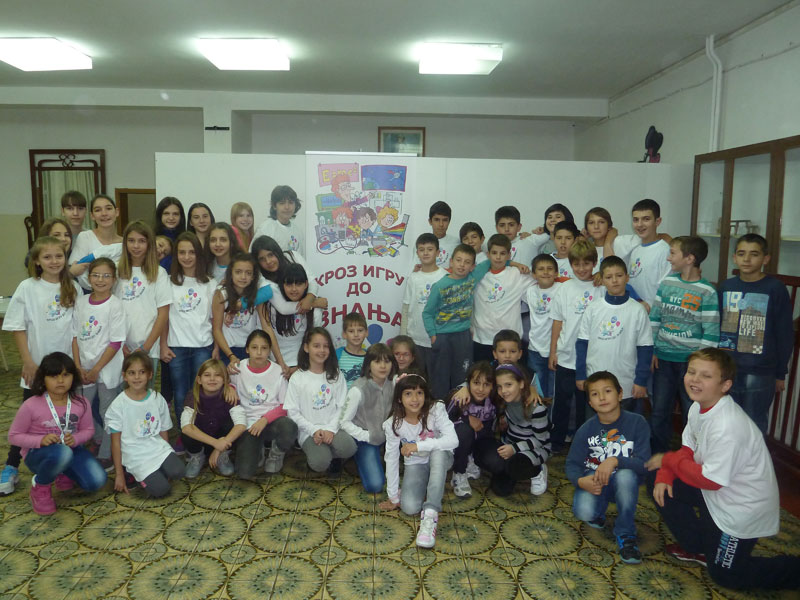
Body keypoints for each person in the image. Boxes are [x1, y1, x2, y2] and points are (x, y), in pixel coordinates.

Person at [647, 349, 800, 590]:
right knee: (655, 477)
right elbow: (687, 449)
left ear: (725, 385)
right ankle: (699, 547)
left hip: (738, 509)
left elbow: (710, 481)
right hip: (715, 492)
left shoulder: (728, 426)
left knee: (728, 576)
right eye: (692, 371)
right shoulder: (698, 406)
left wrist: (667, 460)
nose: (695, 379)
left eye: (706, 376)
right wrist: (665, 470)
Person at [1, 236, 81, 496]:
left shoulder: (73, 288)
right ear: (37, 261)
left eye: (59, 256)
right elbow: (18, 327)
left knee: (65, 418)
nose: (54, 261)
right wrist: (27, 361)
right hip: (36, 368)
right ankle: (11, 466)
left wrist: (76, 366)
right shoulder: (27, 287)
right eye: (47, 257)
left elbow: (76, 333)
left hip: (65, 371)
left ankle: (62, 465)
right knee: (29, 418)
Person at [567, 370, 651, 564]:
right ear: (590, 402)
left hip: (626, 481)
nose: (602, 398)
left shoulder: (637, 423)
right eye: (595, 394)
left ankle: (626, 533)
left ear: (620, 394)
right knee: (584, 512)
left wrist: (615, 460)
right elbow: (572, 463)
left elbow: (644, 463)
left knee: (625, 476)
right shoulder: (586, 429)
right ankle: (599, 508)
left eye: (607, 391)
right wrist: (581, 481)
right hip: (596, 479)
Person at [8, 352, 106, 515]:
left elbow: (89, 430)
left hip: (72, 449)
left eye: (66, 375)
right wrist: (40, 440)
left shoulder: (81, 403)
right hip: (38, 454)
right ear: (43, 379)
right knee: (62, 453)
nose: (60, 381)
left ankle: (62, 471)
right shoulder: (31, 405)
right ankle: (40, 487)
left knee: (97, 481)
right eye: (54, 376)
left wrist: (75, 439)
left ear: (73, 377)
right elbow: (13, 436)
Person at [649, 236, 719, 452]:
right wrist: (652, 350)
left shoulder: (707, 291)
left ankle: (691, 456)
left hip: (690, 365)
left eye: (673, 253)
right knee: (659, 411)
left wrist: (699, 366)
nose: (668, 258)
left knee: (692, 412)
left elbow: (711, 332)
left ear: (689, 258)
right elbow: (655, 319)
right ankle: (658, 456)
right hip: (663, 360)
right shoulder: (667, 284)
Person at [718, 234, 793, 435]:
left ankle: (754, 458)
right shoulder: (726, 287)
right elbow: (717, 326)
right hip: (728, 368)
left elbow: (784, 333)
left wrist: (780, 373)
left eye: (754, 254)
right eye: (741, 253)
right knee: (727, 423)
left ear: (765, 258)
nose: (747, 259)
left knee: (753, 424)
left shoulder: (775, 289)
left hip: (760, 370)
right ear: (734, 257)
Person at [379, 373, 458, 548]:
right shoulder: (393, 424)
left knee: (438, 453)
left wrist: (418, 446)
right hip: (416, 463)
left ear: (425, 394)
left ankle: (430, 514)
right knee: (409, 507)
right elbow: (391, 458)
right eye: (408, 394)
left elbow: (453, 440)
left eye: (419, 393)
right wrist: (393, 496)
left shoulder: (436, 409)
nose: (415, 399)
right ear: (399, 398)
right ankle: (429, 487)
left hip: (442, 459)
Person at [160, 232, 217, 448]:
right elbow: (163, 317)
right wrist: (163, 345)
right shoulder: (168, 282)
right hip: (176, 347)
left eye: (191, 252)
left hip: (203, 346)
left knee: (201, 393)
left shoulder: (210, 283)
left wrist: (216, 348)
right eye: (182, 252)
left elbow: (216, 319)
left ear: (199, 254)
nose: (186, 257)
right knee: (181, 393)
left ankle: (202, 433)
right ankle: (186, 436)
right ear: (176, 255)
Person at [575, 256, 653, 413]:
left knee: (626, 425)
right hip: (595, 380)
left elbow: (645, 348)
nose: (615, 281)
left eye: (619, 275)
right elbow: (582, 344)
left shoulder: (638, 310)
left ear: (627, 278)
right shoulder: (593, 308)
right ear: (602, 280)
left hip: (627, 382)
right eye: (609, 277)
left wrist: (641, 380)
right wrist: (581, 374)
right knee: (595, 424)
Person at [548, 238, 602, 452]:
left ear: (594, 263)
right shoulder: (565, 288)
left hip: (592, 359)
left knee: (585, 406)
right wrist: (553, 352)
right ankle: (557, 441)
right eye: (576, 264)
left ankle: (581, 444)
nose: (581, 268)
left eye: (586, 263)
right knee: (561, 403)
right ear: (570, 264)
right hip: (566, 356)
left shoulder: (601, 287)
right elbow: (557, 322)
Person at [72, 257, 126, 469]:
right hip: (83, 368)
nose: (100, 280)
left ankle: (107, 453)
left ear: (114, 279)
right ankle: (98, 438)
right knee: (82, 408)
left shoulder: (116, 305)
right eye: (96, 275)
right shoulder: (81, 302)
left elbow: (116, 342)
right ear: (89, 277)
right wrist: (78, 366)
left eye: (106, 276)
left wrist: (96, 369)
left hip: (107, 369)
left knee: (107, 412)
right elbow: (75, 336)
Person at [107, 351, 186, 497]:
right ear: (124, 376)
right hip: (134, 454)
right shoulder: (118, 405)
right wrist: (119, 475)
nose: (137, 377)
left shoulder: (157, 398)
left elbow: (163, 430)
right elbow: (115, 442)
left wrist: (166, 451)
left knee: (179, 471)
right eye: (132, 373)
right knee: (161, 490)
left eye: (142, 372)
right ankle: (132, 473)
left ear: (150, 375)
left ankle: (156, 472)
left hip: (155, 447)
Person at [422, 244, 493, 400]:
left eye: (467, 262)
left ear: (472, 266)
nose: (462, 265)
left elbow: (493, 260)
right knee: (440, 376)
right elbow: (427, 313)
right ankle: (439, 406)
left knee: (462, 374)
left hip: (463, 336)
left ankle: (459, 408)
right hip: (442, 337)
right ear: (451, 262)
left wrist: (514, 263)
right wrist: (433, 335)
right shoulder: (440, 286)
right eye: (459, 260)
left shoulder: (472, 278)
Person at [284, 328, 356, 473]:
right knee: (320, 463)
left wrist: (330, 429)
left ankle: (331, 454)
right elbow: (292, 412)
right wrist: (314, 430)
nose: (322, 350)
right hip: (308, 431)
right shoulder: (297, 378)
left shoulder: (336, 374)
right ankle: (320, 454)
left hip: (333, 427)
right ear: (306, 348)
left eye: (326, 346)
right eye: (316, 346)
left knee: (349, 448)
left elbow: (342, 407)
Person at [229, 330, 298, 477]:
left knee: (289, 427)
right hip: (249, 424)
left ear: (269, 350)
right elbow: (230, 385)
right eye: (254, 347)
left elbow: (284, 405)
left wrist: (265, 419)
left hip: (272, 421)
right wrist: (230, 388)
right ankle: (257, 449)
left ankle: (276, 452)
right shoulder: (238, 368)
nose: (259, 352)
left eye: (264, 348)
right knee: (244, 473)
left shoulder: (278, 371)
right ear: (247, 349)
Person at [474, 364, 550, 496]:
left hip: (534, 449)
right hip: (510, 445)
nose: (503, 391)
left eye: (508, 385)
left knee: (515, 467)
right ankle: (506, 468)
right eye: (499, 387)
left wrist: (514, 448)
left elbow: (541, 440)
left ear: (521, 384)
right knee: (501, 490)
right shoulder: (505, 401)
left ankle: (538, 470)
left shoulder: (537, 408)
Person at [339, 343, 398, 493]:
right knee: (375, 485)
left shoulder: (394, 382)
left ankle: (378, 456)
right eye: (377, 362)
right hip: (365, 438)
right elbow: (344, 422)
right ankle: (356, 456)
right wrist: (367, 436)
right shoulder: (358, 389)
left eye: (387, 361)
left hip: (388, 436)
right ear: (368, 365)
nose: (383, 366)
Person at [115, 221, 171, 378]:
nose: (136, 246)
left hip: (148, 348)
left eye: (141, 241)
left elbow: (163, 314)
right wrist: (119, 344)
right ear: (125, 243)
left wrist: (146, 347)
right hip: (119, 347)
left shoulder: (159, 273)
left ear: (149, 244)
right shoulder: (116, 270)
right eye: (131, 240)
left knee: (144, 390)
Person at [211, 253, 285, 371]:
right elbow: (216, 330)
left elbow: (267, 327)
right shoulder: (221, 294)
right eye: (238, 272)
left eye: (248, 273)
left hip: (251, 351)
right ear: (231, 273)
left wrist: (280, 361)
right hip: (227, 351)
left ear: (253, 276)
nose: (243, 277)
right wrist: (231, 356)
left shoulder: (257, 296)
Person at [471, 234, 534, 362]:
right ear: (488, 254)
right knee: (483, 374)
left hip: (510, 342)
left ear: (509, 255)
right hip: (482, 339)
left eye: (502, 253)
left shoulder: (517, 274)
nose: (498, 257)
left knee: (510, 375)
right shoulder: (477, 275)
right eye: (494, 253)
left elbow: (543, 281)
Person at [180, 359, 245, 478]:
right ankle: (197, 456)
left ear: (225, 379)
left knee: (232, 425)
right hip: (202, 440)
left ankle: (222, 455)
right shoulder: (193, 396)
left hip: (222, 439)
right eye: (207, 375)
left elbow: (241, 425)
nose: (212, 379)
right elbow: (186, 428)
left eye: (217, 375)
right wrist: (215, 443)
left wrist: (219, 448)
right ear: (199, 380)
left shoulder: (230, 395)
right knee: (187, 432)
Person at [604, 198, 672, 307]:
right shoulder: (635, 250)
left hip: (653, 313)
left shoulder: (665, 251)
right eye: (636, 220)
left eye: (646, 219)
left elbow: (667, 290)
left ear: (658, 221)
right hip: (634, 311)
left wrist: (653, 310)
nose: (640, 224)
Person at [446, 361, 496, 498]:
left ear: (492, 386)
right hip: (455, 441)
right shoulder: (460, 397)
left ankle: (471, 458)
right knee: (465, 430)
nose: (481, 389)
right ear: (468, 383)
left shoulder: (494, 398)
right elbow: (445, 422)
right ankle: (459, 472)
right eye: (476, 383)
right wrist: (467, 419)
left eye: (486, 384)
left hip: (480, 439)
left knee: (494, 457)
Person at [400, 233, 446, 376]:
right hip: (415, 340)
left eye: (430, 249)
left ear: (437, 252)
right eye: (421, 249)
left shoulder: (445, 277)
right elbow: (406, 309)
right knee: (416, 380)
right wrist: (404, 337)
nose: (425, 253)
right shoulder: (413, 278)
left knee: (437, 380)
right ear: (417, 253)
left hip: (438, 340)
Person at [525, 254, 561, 403]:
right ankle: (540, 416)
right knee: (537, 391)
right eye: (541, 269)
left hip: (557, 349)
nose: (545, 272)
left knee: (554, 392)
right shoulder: (530, 291)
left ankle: (552, 416)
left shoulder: (562, 289)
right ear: (534, 274)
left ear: (556, 273)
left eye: (550, 269)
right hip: (535, 349)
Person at [70, 194, 123, 292]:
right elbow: (75, 270)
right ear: (92, 216)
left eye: (108, 208)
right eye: (98, 210)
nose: (104, 213)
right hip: (90, 295)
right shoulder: (85, 237)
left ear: (117, 212)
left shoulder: (125, 243)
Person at [252, 185, 304, 255]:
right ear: (274, 206)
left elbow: (300, 257)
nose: (287, 207)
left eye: (291, 202)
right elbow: (253, 256)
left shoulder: (298, 231)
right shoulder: (265, 229)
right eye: (282, 203)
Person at [336, 312, 368, 388]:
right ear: (344, 334)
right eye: (351, 331)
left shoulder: (369, 356)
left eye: (360, 330)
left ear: (366, 333)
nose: (356, 335)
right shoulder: (337, 354)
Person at [154, 196, 186, 272]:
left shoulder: (186, 240)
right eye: (166, 213)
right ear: (160, 215)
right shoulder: (150, 238)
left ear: (181, 217)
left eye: (175, 214)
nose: (171, 218)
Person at [427, 201, 460, 269]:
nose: (441, 224)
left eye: (445, 220)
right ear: (430, 221)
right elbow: (414, 269)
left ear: (449, 222)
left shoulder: (457, 243)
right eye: (437, 220)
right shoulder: (422, 243)